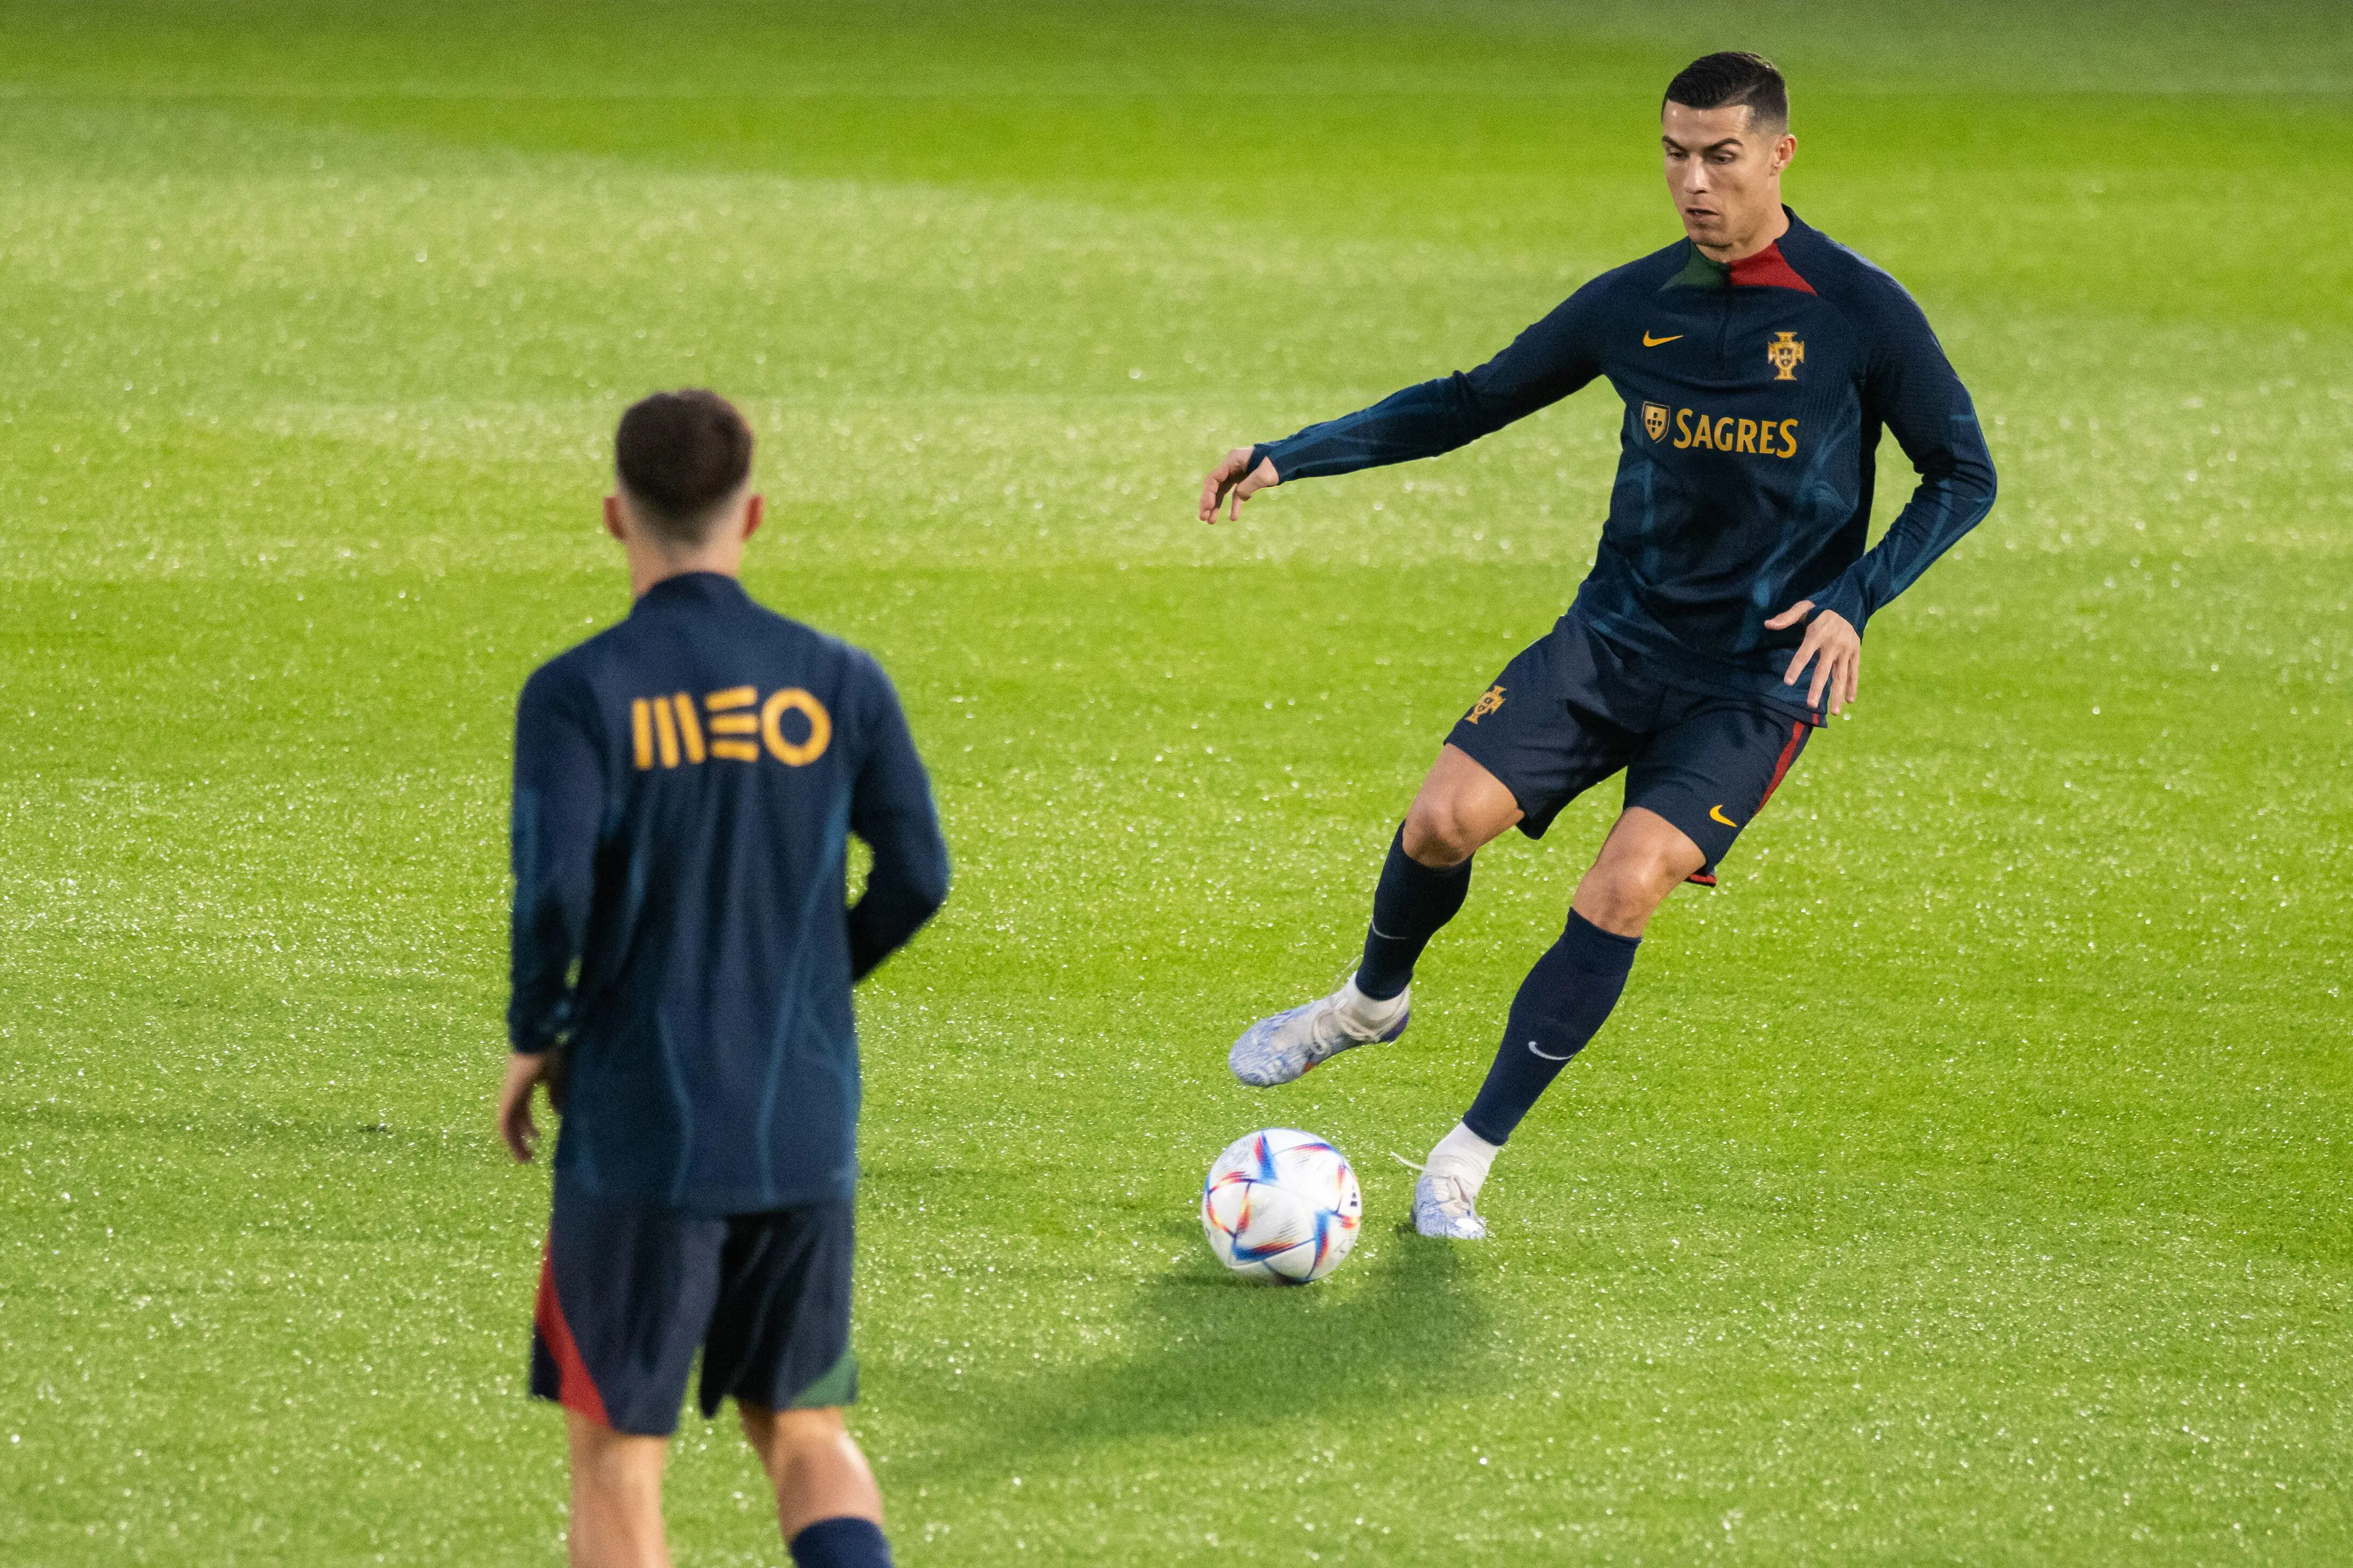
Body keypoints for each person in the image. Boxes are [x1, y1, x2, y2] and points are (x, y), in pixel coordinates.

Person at [1197, 52, 1996, 1240]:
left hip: (1755, 683)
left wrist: (1857, 598)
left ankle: (1462, 1162)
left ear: (1780, 154)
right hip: (1615, 637)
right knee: (1438, 822)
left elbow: (1961, 474)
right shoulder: (1637, 304)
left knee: (1623, 886)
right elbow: (1470, 400)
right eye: (1675, 152)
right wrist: (1293, 454)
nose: (1693, 181)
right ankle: (1370, 1005)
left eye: (1721, 155)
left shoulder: (1859, 314)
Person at [497, 389, 949, 1568]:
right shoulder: (838, 680)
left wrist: (537, 1030)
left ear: (614, 515)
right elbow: (919, 875)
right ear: (753, 514)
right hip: (799, 1118)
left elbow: (553, 893)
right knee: (805, 1430)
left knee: (619, 1454)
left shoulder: (579, 690)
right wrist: (805, 984)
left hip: (644, 1123)